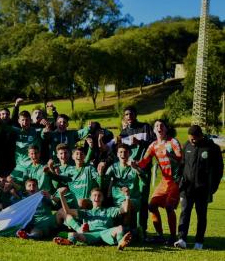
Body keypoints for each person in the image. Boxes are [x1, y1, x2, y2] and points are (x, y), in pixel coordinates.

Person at [174, 125, 223, 250]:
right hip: (187, 188)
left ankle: (199, 242)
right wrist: (179, 181)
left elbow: (219, 170)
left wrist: (213, 187)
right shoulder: (187, 146)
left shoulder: (212, 148)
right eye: (190, 138)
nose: (192, 141)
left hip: (203, 189)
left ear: (200, 135)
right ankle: (182, 239)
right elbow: (182, 165)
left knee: (201, 216)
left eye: (194, 139)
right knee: (184, 213)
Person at [138, 120, 182, 244]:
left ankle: (173, 237)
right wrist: (135, 164)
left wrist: (170, 155)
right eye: (156, 126)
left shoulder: (173, 142)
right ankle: (160, 235)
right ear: (153, 130)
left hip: (176, 180)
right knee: (151, 206)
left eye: (161, 125)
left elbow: (181, 158)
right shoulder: (153, 145)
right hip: (164, 181)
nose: (159, 127)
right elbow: (144, 162)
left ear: (166, 129)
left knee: (169, 207)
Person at [53, 187, 132, 250]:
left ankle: (121, 243)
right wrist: (61, 195)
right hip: (91, 235)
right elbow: (67, 211)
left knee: (120, 228)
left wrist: (127, 195)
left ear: (103, 198)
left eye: (99, 195)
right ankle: (68, 242)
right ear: (90, 198)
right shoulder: (86, 212)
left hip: (106, 232)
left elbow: (125, 210)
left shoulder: (109, 210)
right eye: (94, 195)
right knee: (73, 234)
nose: (97, 197)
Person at [118, 106, 154, 239]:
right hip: (128, 171)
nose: (129, 116)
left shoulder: (145, 127)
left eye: (131, 114)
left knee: (143, 200)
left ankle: (142, 229)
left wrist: (140, 142)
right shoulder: (124, 132)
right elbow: (121, 150)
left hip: (143, 169)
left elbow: (153, 144)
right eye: (126, 114)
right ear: (124, 117)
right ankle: (131, 229)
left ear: (135, 114)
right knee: (130, 199)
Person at [0, 107, 16, 177]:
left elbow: (15, 117)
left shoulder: (12, 126)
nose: (5, 116)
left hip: (11, 159)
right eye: (3, 114)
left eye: (7, 114)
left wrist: (16, 106)